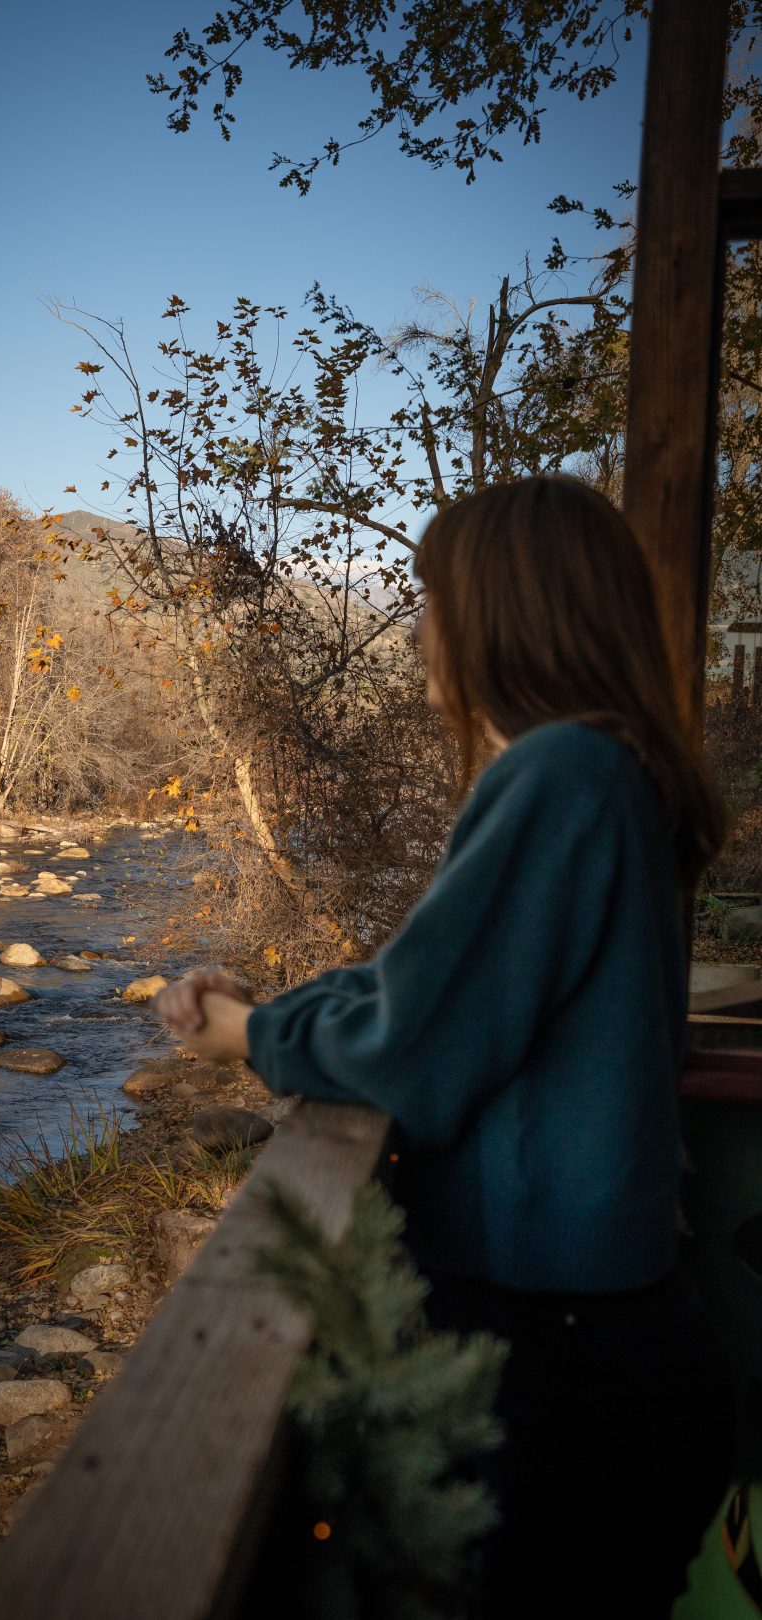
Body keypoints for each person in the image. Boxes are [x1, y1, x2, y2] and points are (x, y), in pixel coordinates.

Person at [153, 475, 735, 1620]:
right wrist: (296, 1008)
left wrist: (249, 1036)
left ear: (505, 612)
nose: (420, 626)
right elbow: (434, 981)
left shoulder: (562, 775)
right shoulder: (611, 774)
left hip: (565, 1367)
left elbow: (413, 1043)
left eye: (431, 597)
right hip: (612, 1346)